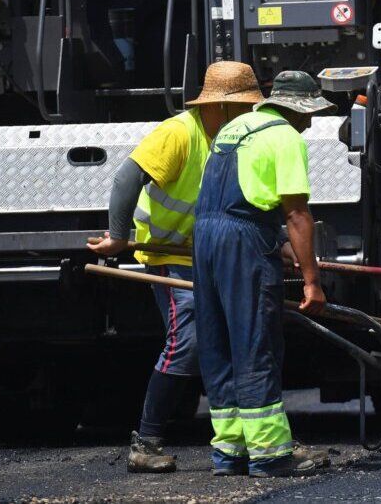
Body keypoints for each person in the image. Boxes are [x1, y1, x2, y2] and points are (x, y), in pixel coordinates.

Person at [87, 61, 263, 473]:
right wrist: (116, 236)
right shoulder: (179, 133)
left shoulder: (234, 137)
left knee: (234, 343)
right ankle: (145, 443)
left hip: (210, 254)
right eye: (242, 107)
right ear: (218, 105)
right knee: (188, 342)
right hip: (170, 257)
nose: (249, 114)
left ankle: (248, 440)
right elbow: (126, 178)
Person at [192, 70, 334, 477]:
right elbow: (296, 213)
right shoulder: (285, 135)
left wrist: (274, 241)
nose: (309, 124)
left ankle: (229, 451)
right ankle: (270, 453)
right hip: (243, 241)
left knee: (218, 343)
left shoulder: (234, 128)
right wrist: (312, 280)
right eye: (309, 114)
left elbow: (239, 192)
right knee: (255, 341)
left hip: (205, 236)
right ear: (298, 108)